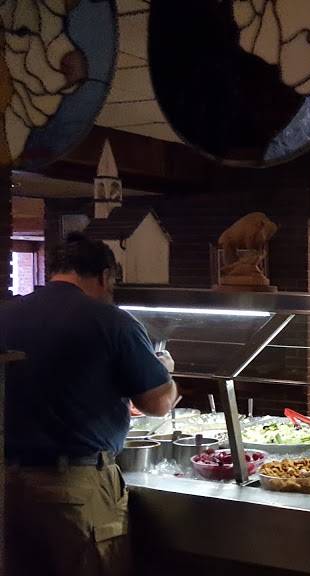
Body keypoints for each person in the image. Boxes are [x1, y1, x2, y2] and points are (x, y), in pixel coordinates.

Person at [0, 233, 177, 576]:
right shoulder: (112, 320)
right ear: (105, 276)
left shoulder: (6, 314)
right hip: (74, 488)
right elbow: (156, 403)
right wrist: (167, 373)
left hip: (8, 486)